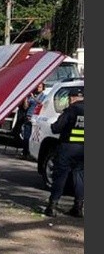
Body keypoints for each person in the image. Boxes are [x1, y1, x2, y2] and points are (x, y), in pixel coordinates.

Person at [43, 88, 84, 218]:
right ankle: (78, 207)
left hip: (67, 148)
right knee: (80, 177)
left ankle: (52, 206)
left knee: (60, 176)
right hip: (83, 150)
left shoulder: (71, 110)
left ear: (72, 98)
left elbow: (56, 128)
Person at [20, 82, 46, 158]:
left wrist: (34, 98)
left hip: (36, 119)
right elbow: (25, 107)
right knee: (26, 136)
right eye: (37, 87)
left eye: (40, 87)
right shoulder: (31, 96)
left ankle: (33, 154)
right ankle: (25, 153)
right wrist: (25, 99)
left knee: (34, 137)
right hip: (28, 117)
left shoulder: (44, 96)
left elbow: (41, 104)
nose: (38, 88)